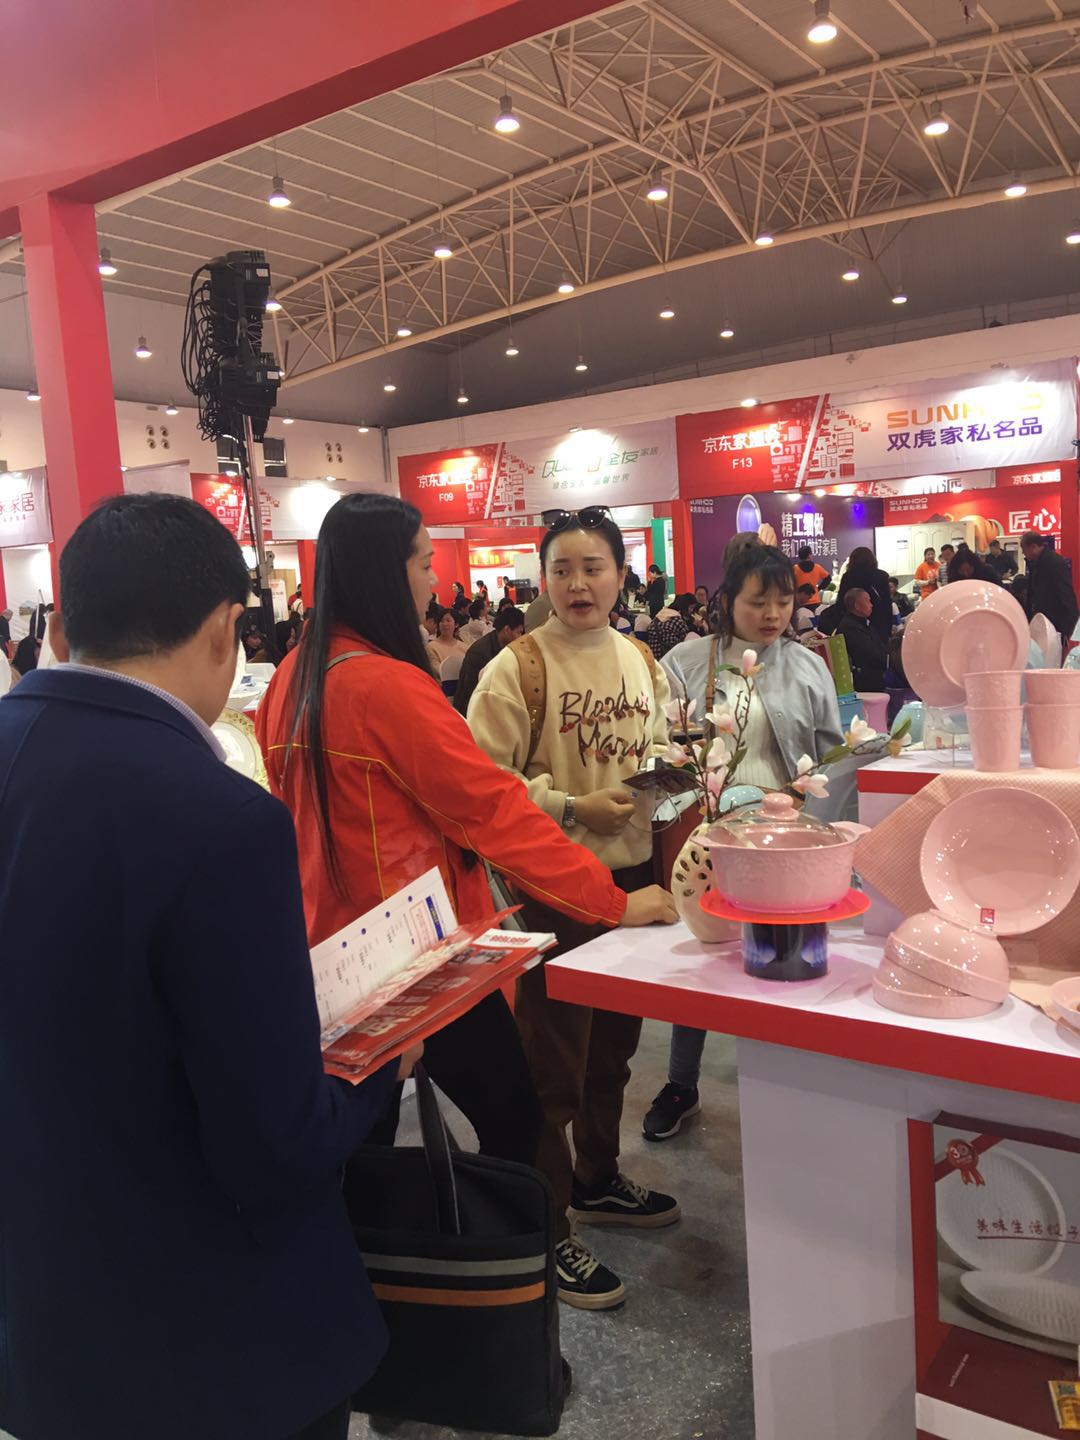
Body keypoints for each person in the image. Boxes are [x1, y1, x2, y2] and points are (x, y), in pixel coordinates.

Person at [0, 493, 415, 1440]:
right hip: (213, 1337)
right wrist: (385, 1057)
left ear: (59, 628)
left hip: (43, 1316)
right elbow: (274, 1148)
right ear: (229, 629)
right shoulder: (220, 820)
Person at [256, 494, 674, 1173]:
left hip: (335, 949)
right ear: (384, 572)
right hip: (413, 954)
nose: (434, 581)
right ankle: (514, 1239)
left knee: (363, 1138)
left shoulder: (291, 676)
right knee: (516, 1114)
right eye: (424, 563)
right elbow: (493, 811)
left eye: (594, 568)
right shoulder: (392, 687)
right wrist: (611, 902)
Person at [468, 506, 680, 1311]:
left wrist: (666, 773)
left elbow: (659, 744)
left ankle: (598, 1177)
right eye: (561, 569)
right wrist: (566, 804)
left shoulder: (639, 658)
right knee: (550, 1067)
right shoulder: (515, 669)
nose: (577, 583)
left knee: (612, 1052)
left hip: (631, 885)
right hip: (552, 893)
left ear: (622, 575)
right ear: (543, 579)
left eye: (592, 567)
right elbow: (481, 786)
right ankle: (547, 1226)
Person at [643, 544, 845, 1144]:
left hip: (786, 840)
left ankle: (795, 1086)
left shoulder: (807, 667)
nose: (773, 614)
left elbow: (832, 759)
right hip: (711, 836)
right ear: (728, 600)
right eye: (758, 601)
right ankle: (681, 1083)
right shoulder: (685, 663)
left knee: (792, 962)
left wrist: (813, 828)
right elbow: (660, 749)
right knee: (704, 957)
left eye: (783, 600)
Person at [454, 604, 525, 715]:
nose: (521, 637)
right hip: (474, 710)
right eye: (519, 632)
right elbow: (473, 692)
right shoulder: (481, 653)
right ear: (506, 630)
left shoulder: (503, 646)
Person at [1021, 530, 1079, 645]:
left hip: (1054, 622)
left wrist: (1069, 627)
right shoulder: (1036, 563)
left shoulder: (1054, 563)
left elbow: (1066, 594)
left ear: (1033, 547)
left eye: (1024, 549)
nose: (1023, 553)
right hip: (1043, 620)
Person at [837, 545, 892, 644]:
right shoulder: (882, 576)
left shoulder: (848, 577)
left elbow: (841, 601)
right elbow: (887, 603)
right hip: (879, 620)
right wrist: (888, 628)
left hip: (854, 621)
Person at [837, 588, 889, 691]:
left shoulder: (862, 623)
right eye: (868, 601)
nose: (871, 605)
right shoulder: (850, 627)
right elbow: (870, 654)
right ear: (857, 606)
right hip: (864, 681)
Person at [645, 592, 695, 659]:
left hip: (653, 657)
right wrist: (695, 626)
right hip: (669, 658)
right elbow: (689, 640)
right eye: (691, 607)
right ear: (685, 607)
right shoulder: (678, 621)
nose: (692, 610)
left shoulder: (657, 618)